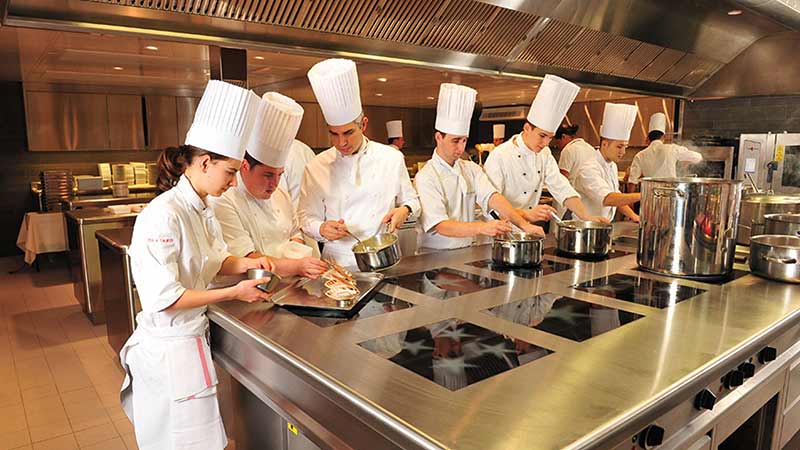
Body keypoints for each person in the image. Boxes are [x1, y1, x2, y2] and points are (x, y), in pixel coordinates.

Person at [119, 80, 271, 450]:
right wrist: (235, 291)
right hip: (169, 352)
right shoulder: (163, 215)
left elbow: (217, 259)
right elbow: (164, 298)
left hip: (192, 345)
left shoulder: (203, 209)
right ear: (205, 162)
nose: (233, 182)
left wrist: (254, 263)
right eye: (230, 172)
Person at [298, 59, 420, 268]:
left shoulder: (390, 158)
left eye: (348, 133)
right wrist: (321, 228)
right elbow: (305, 217)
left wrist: (405, 210)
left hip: (383, 257)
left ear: (363, 125)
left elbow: (413, 201)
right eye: (333, 134)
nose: (341, 142)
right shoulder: (316, 166)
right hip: (337, 265)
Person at [210, 91, 327, 280]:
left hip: (282, 286)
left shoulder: (279, 191)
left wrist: (295, 254)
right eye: (267, 175)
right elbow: (247, 257)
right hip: (242, 292)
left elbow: (294, 230)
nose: (274, 183)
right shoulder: (224, 200)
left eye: (280, 175)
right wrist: (297, 266)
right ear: (245, 166)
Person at [415, 83, 544, 251]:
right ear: (439, 137)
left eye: (464, 140)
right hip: (434, 258)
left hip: (467, 252)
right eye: (455, 141)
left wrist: (524, 225)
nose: (461, 148)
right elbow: (441, 225)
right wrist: (482, 227)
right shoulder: (426, 176)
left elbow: (494, 198)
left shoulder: (471, 169)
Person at [483, 75, 607, 225]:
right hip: (500, 233)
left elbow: (561, 187)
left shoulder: (544, 154)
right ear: (527, 128)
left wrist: (586, 216)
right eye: (542, 136)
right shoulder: (500, 156)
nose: (546, 143)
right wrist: (527, 214)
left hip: (528, 232)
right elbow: (491, 208)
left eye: (550, 137)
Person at [573, 103, 642, 222]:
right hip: (585, 228)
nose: (623, 151)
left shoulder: (612, 166)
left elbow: (616, 196)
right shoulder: (589, 168)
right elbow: (608, 199)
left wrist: (634, 216)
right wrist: (644, 195)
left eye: (625, 146)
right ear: (605, 144)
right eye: (619, 146)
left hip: (602, 225)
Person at [628, 112, 702, 184]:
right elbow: (698, 157)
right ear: (664, 137)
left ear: (648, 138)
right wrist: (686, 162)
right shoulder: (672, 149)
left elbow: (632, 182)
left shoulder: (640, 155)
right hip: (670, 192)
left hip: (651, 193)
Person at [279, 139, 316, 208]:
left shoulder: (274, 155)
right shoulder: (305, 148)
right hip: (313, 214)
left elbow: (278, 203)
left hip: (289, 215)